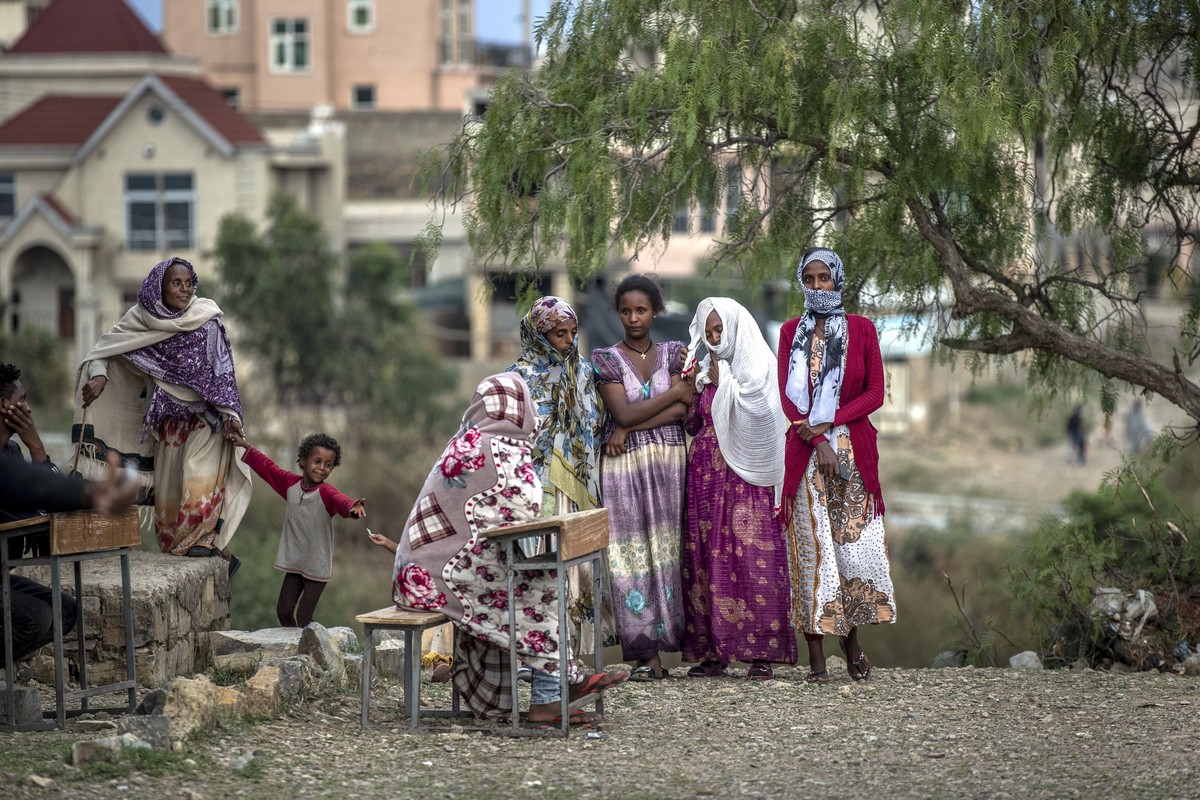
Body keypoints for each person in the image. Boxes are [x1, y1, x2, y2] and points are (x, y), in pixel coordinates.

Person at [390, 373, 626, 725]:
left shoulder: (470, 439)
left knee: (535, 587)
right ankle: (554, 693)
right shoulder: (498, 449)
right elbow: (526, 508)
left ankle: (561, 683)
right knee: (543, 590)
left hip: (422, 571)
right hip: (441, 574)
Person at [72, 257, 252, 577]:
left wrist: (231, 415)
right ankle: (222, 558)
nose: (184, 290)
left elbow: (223, 374)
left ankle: (206, 545)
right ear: (159, 287)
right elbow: (103, 350)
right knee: (169, 506)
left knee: (198, 483)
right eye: (176, 283)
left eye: (188, 283)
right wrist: (99, 376)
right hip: (168, 423)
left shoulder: (206, 320)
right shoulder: (140, 319)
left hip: (207, 421)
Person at [778, 248, 896, 684]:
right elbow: (786, 397)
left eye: (823, 277)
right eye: (808, 279)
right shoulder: (791, 331)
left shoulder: (863, 330)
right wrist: (813, 436)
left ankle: (852, 648)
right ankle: (816, 661)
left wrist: (829, 423)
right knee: (812, 555)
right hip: (806, 457)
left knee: (849, 557)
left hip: (851, 457)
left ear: (837, 280)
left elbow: (875, 393)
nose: (816, 286)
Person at [680, 298, 797, 680]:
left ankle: (760, 654)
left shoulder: (757, 365)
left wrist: (722, 382)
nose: (715, 340)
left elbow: (764, 413)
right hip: (706, 479)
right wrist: (696, 386)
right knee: (706, 561)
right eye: (709, 333)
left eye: (720, 331)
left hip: (745, 479)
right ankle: (715, 654)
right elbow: (694, 424)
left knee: (751, 557)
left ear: (736, 327)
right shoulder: (705, 370)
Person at [591, 274, 693, 682]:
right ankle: (643, 656)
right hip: (623, 469)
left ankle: (673, 649)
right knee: (629, 554)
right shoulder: (606, 358)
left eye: (641, 310)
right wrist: (672, 396)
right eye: (626, 311)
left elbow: (685, 413)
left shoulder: (674, 353)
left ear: (656, 312)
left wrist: (630, 426)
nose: (633, 318)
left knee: (669, 551)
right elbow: (627, 412)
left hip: (669, 464)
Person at [506, 296, 611, 656]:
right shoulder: (518, 376)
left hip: (577, 486)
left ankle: (572, 654)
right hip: (536, 486)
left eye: (572, 332)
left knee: (575, 564)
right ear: (539, 335)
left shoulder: (582, 372)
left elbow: (597, 422)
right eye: (559, 334)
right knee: (539, 563)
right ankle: (538, 649)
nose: (568, 340)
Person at [1, 453, 137, 669]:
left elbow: (36, 489)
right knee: (38, 617)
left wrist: (36, 448)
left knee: (66, 610)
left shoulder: (12, 448)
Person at [226, 431, 366, 627]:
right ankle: (294, 648)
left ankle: (312, 654)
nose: (322, 468)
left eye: (328, 465)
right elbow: (268, 468)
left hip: (317, 565)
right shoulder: (291, 484)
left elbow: (340, 500)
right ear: (302, 461)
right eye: (317, 461)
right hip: (295, 562)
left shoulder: (325, 492)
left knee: (304, 617)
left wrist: (352, 507)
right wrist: (244, 445)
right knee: (283, 610)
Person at [1, 363, 59, 559]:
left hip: (7, 576)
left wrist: (37, 448)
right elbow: (37, 516)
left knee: (62, 593)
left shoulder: (12, 451)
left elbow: (47, 499)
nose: (29, 408)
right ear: (3, 405)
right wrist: (36, 446)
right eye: (22, 399)